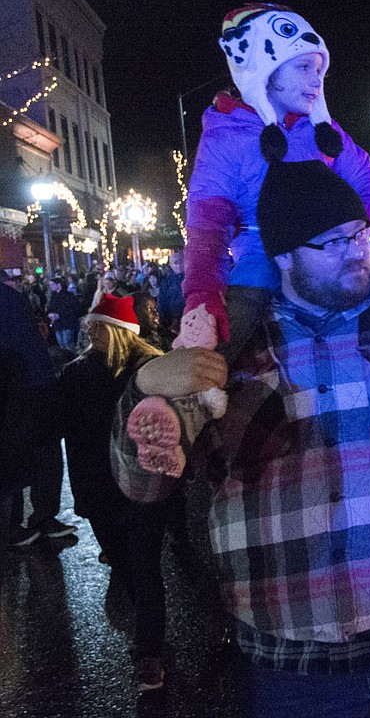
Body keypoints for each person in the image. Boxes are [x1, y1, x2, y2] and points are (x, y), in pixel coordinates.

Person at [113, 161, 370, 716]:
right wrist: (142, 394)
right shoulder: (234, 351)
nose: (355, 252)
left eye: (359, 235)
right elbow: (145, 486)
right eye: (331, 243)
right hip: (289, 661)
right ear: (282, 257)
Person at [174, 3, 370, 448]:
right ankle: (186, 408)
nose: (316, 79)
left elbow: (368, 176)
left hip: (338, 245)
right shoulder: (226, 135)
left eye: (319, 68)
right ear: (264, 69)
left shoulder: (322, 130)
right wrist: (202, 291)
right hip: (262, 252)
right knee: (230, 320)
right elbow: (207, 221)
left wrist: (363, 230)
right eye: (302, 67)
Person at [59, 294, 177, 691]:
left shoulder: (144, 371)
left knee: (138, 569)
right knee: (137, 568)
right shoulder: (147, 370)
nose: (88, 331)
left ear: (111, 330)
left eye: (95, 326)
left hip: (112, 488)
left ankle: (149, 654)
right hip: (138, 486)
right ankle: (150, 644)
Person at [0, 282, 59, 556]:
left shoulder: (11, 296)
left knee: (29, 452)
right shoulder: (13, 296)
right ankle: (25, 523)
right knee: (30, 452)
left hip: (25, 382)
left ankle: (30, 521)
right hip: (27, 381)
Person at [46, 275, 83, 351]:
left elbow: (72, 310)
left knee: (68, 345)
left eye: (52, 285)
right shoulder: (53, 296)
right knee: (62, 346)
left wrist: (59, 315)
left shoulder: (68, 296)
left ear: (58, 285)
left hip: (67, 324)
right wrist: (50, 314)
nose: (51, 287)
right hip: (58, 325)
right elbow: (50, 307)